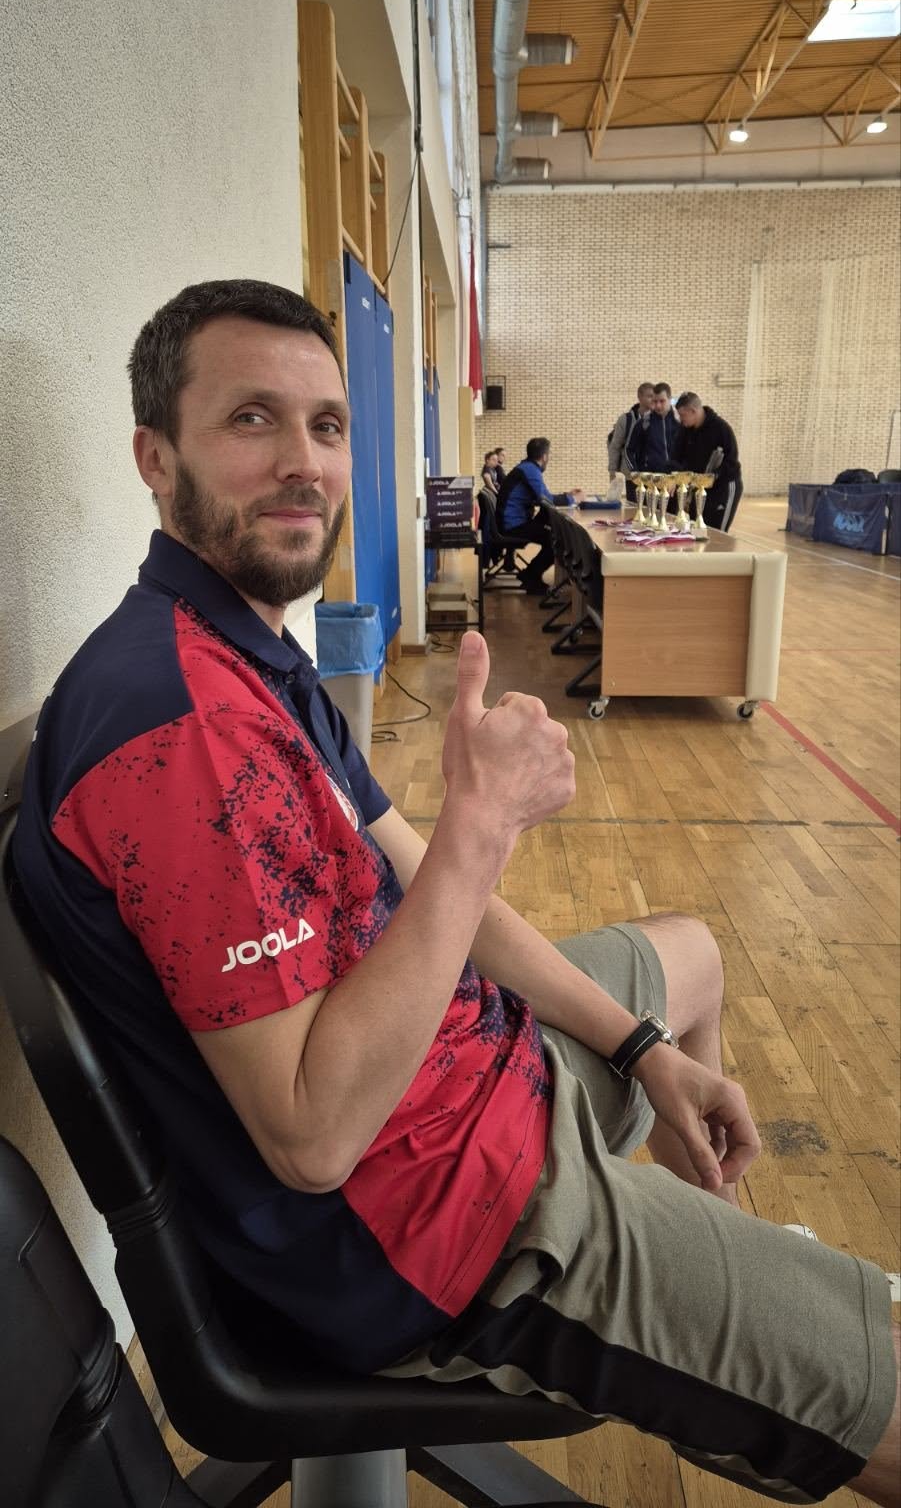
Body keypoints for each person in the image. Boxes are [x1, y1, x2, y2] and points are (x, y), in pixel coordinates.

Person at [12, 280, 897, 1507]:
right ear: (156, 459)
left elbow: (426, 882)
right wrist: (484, 824)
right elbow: (314, 1136)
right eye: (252, 419)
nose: (304, 461)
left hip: (469, 1079)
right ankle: (736, 1319)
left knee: (687, 954)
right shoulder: (181, 730)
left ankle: (717, 1260)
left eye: (326, 425)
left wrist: (642, 1049)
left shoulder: (242, 650)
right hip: (434, 1231)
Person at [496, 436, 584, 594]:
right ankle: (531, 577)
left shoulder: (527, 468)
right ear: (544, 456)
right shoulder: (530, 470)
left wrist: (567, 495)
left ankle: (530, 575)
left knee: (550, 525)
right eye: (548, 455)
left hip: (512, 522)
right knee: (557, 541)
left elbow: (543, 498)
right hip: (512, 526)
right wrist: (573, 499)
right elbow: (545, 499)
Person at [672, 392, 743, 530]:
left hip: (724, 487)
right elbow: (676, 456)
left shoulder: (721, 429)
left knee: (717, 532)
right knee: (697, 529)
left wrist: (714, 475)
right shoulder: (685, 429)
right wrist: (675, 476)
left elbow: (731, 461)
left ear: (693, 411)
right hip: (699, 488)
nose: (681, 419)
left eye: (683, 415)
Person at [607, 382, 654, 498]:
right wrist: (612, 472)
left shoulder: (659, 420)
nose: (653, 399)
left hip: (653, 476)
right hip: (632, 476)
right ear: (640, 397)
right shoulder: (625, 420)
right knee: (634, 506)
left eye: (654, 396)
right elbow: (615, 446)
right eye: (649, 396)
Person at [632, 381, 679, 475]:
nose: (658, 405)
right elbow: (630, 450)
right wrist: (637, 472)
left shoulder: (680, 421)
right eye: (655, 401)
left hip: (677, 477)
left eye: (662, 401)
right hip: (652, 478)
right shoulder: (644, 423)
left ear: (670, 399)